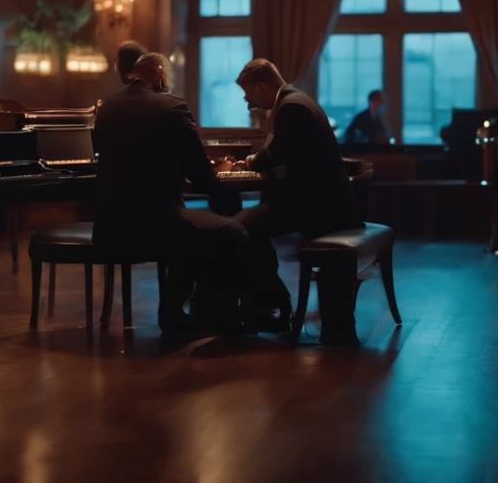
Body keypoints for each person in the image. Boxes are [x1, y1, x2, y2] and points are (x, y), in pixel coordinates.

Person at [92, 52, 248, 333]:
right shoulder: (172, 107)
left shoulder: (106, 107)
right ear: (162, 75)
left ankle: (176, 312)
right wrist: (221, 179)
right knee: (231, 231)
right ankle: (212, 316)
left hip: (110, 227)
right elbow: (200, 174)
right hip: (158, 225)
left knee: (193, 225)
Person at [234, 58, 362, 344]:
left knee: (238, 230)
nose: (247, 101)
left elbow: (274, 154)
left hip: (315, 206)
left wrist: (252, 160)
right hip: (322, 200)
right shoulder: (298, 100)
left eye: (248, 94)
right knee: (248, 227)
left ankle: (271, 303)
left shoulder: (291, 108)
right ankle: (268, 304)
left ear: (263, 85)